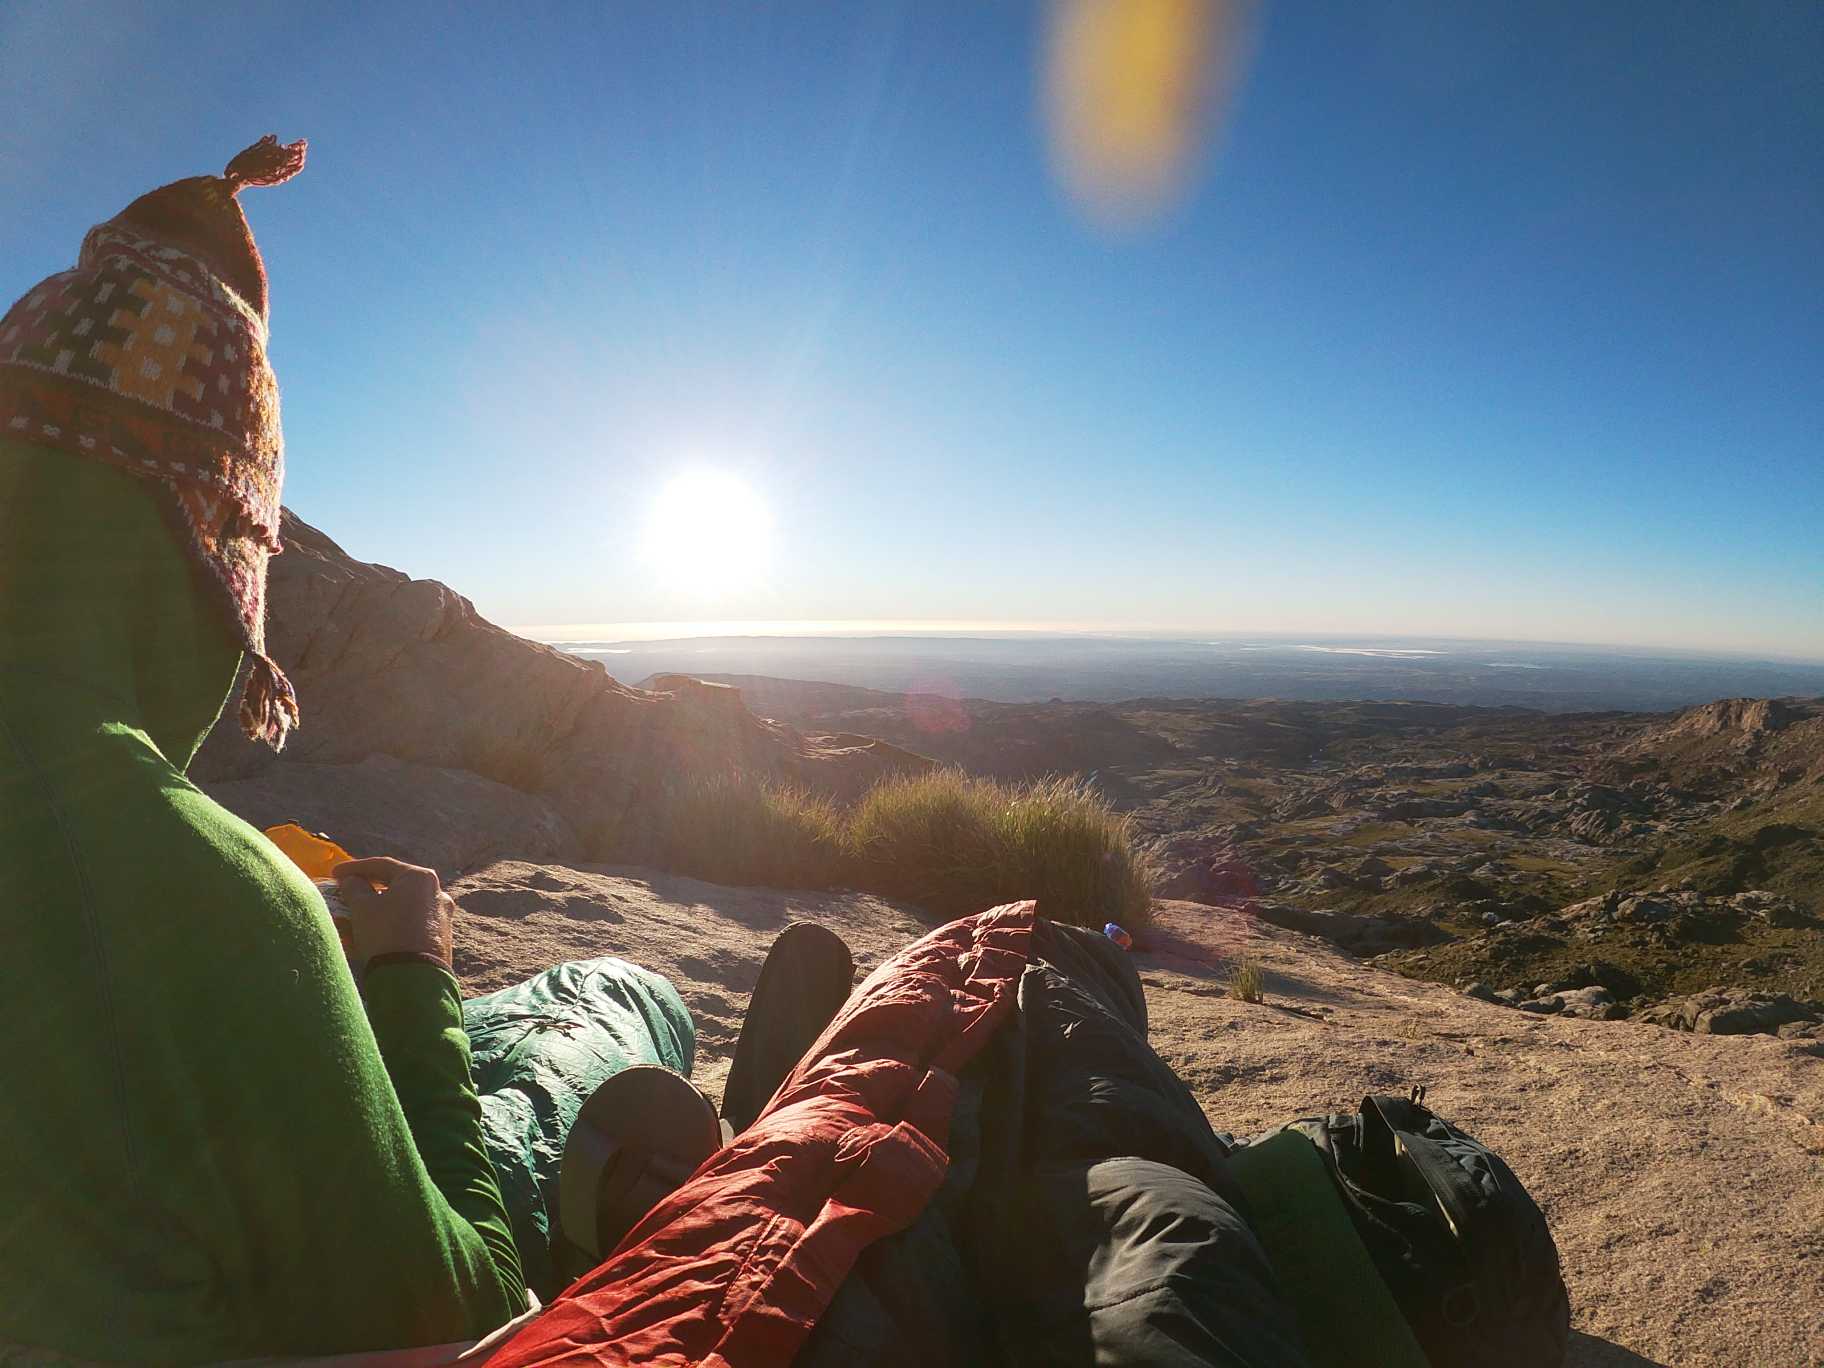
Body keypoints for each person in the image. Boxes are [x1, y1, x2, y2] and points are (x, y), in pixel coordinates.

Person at [0, 137, 532, 1362]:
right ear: (211, 557)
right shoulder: (215, 904)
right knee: (602, 1020)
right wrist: (410, 979)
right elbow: (482, 1313)